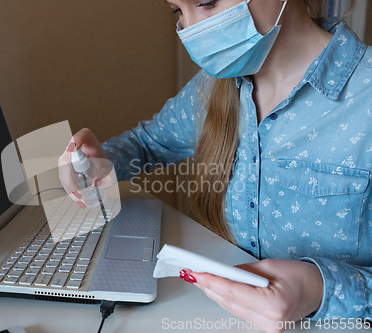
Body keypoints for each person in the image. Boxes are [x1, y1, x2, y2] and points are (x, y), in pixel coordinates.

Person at [58, 0, 372, 331]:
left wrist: (319, 290)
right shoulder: (210, 90)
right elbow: (147, 144)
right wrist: (99, 162)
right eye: (178, 11)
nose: (191, 29)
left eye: (205, 3)